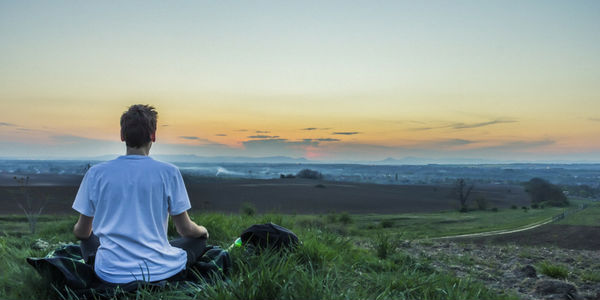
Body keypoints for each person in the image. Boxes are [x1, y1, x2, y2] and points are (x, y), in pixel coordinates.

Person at [71, 104, 209, 284]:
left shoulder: (96, 173)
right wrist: (203, 231)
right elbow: (185, 230)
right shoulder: (169, 172)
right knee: (198, 241)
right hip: (159, 271)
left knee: (87, 239)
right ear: (153, 136)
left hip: (110, 273)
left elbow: (81, 232)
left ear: (122, 136)